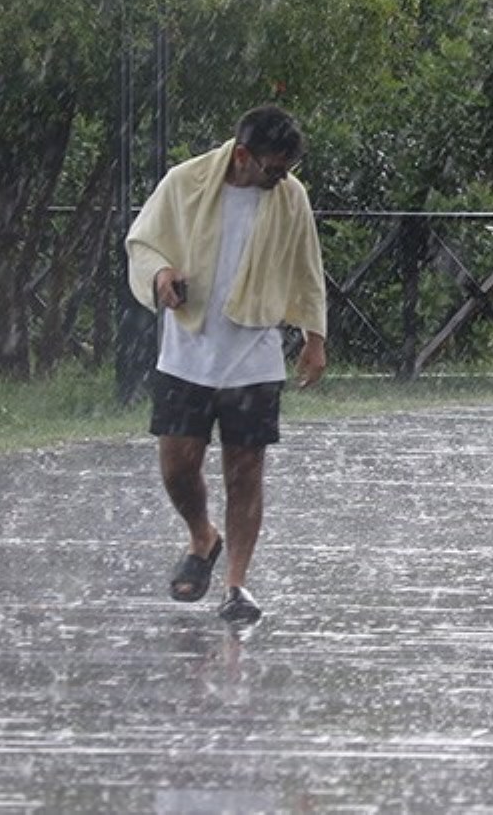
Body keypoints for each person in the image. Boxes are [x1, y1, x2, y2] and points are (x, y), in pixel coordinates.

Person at [125, 104, 328, 624]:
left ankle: (236, 584)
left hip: (253, 356)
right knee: (178, 465)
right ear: (243, 156)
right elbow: (143, 243)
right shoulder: (185, 182)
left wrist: (314, 337)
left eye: (287, 170)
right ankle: (202, 536)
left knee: (245, 471)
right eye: (274, 169)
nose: (281, 179)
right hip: (187, 349)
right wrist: (161, 276)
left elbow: (307, 268)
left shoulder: (290, 199)